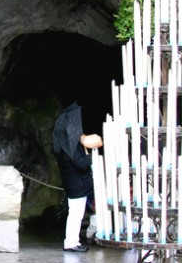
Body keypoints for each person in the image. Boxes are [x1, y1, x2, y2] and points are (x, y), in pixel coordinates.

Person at [53, 101, 103, 253]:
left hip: (73, 185)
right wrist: (93, 155)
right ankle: (71, 243)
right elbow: (81, 164)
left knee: (75, 214)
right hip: (77, 186)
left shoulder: (63, 145)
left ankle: (72, 242)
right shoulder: (70, 148)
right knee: (76, 215)